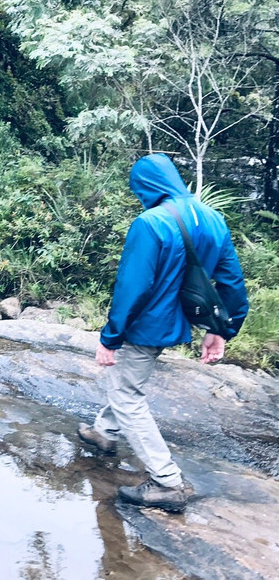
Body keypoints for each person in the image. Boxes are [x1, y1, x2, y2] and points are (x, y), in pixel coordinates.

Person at [77, 153, 249, 512]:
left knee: (127, 397)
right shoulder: (214, 218)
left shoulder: (150, 222)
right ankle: (103, 433)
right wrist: (223, 330)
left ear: (145, 186)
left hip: (144, 326)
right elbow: (231, 283)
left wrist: (110, 336)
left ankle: (166, 481)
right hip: (177, 323)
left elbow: (133, 286)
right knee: (127, 384)